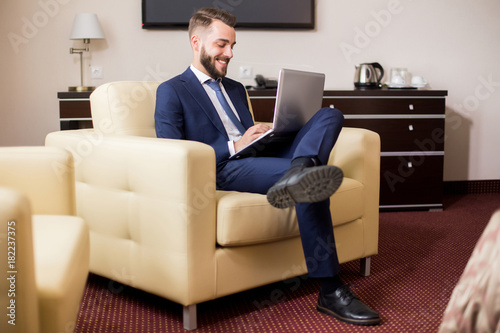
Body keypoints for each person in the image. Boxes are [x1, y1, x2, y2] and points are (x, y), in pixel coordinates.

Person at [155, 7, 380, 326]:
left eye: (232, 46)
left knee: (330, 115)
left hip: (261, 155)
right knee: (310, 183)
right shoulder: (172, 90)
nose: (229, 53)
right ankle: (330, 290)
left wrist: (270, 131)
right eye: (222, 45)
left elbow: (248, 132)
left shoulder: (235, 88)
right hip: (224, 168)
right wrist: (236, 144)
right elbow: (171, 152)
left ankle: (302, 167)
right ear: (196, 42)